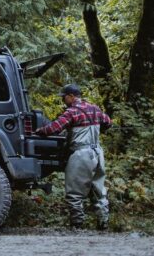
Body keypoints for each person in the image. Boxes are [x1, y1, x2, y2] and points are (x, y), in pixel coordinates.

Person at [35, 84, 112, 230]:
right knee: (98, 190)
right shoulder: (95, 108)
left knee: (74, 192)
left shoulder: (72, 112)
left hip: (81, 154)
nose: (63, 100)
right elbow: (108, 122)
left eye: (64, 97)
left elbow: (54, 129)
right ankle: (103, 223)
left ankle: (77, 224)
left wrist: (39, 131)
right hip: (98, 153)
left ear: (71, 96)